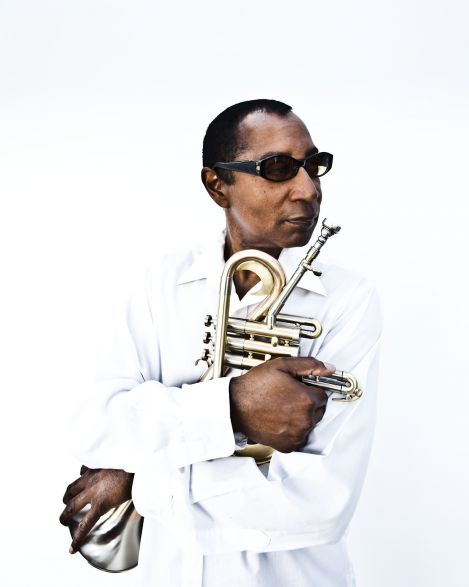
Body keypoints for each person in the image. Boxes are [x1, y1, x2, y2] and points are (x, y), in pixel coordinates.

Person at [59, 99, 382, 586]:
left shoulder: (349, 299)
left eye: (314, 166)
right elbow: (96, 425)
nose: (308, 189)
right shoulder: (161, 283)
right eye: (279, 168)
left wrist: (139, 479)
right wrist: (235, 406)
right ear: (217, 185)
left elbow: (322, 504)